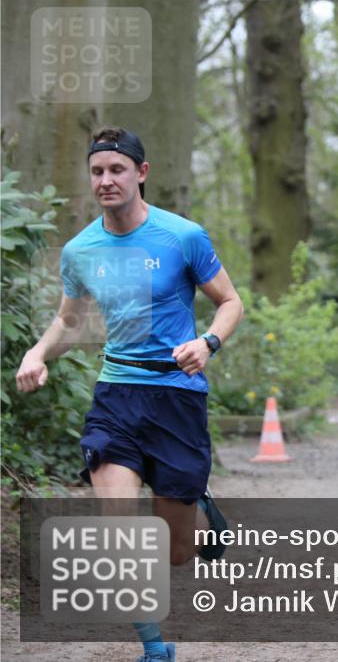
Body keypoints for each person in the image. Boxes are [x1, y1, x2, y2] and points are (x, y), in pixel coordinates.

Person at [15, 127, 243, 662]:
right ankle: (154, 647)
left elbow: (230, 302)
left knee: (177, 553)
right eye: (97, 171)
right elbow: (70, 321)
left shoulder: (182, 236)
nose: (106, 180)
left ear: (141, 173)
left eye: (117, 169)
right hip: (116, 395)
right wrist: (36, 354)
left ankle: (197, 501)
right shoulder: (81, 250)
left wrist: (208, 342)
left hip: (177, 398)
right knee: (117, 525)